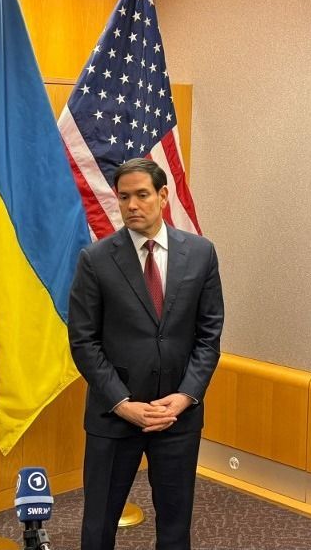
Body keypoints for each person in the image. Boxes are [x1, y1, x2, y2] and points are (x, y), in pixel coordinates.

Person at [68, 158, 224, 550]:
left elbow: (209, 334)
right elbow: (83, 341)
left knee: (175, 524)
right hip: (114, 415)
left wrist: (186, 396)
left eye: (142, 195)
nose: (132, 205)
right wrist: (122, 403)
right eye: (124, 197)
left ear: (163, 195)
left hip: (177, 415)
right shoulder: (96, 259)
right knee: (99, 523)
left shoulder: (201, 253)